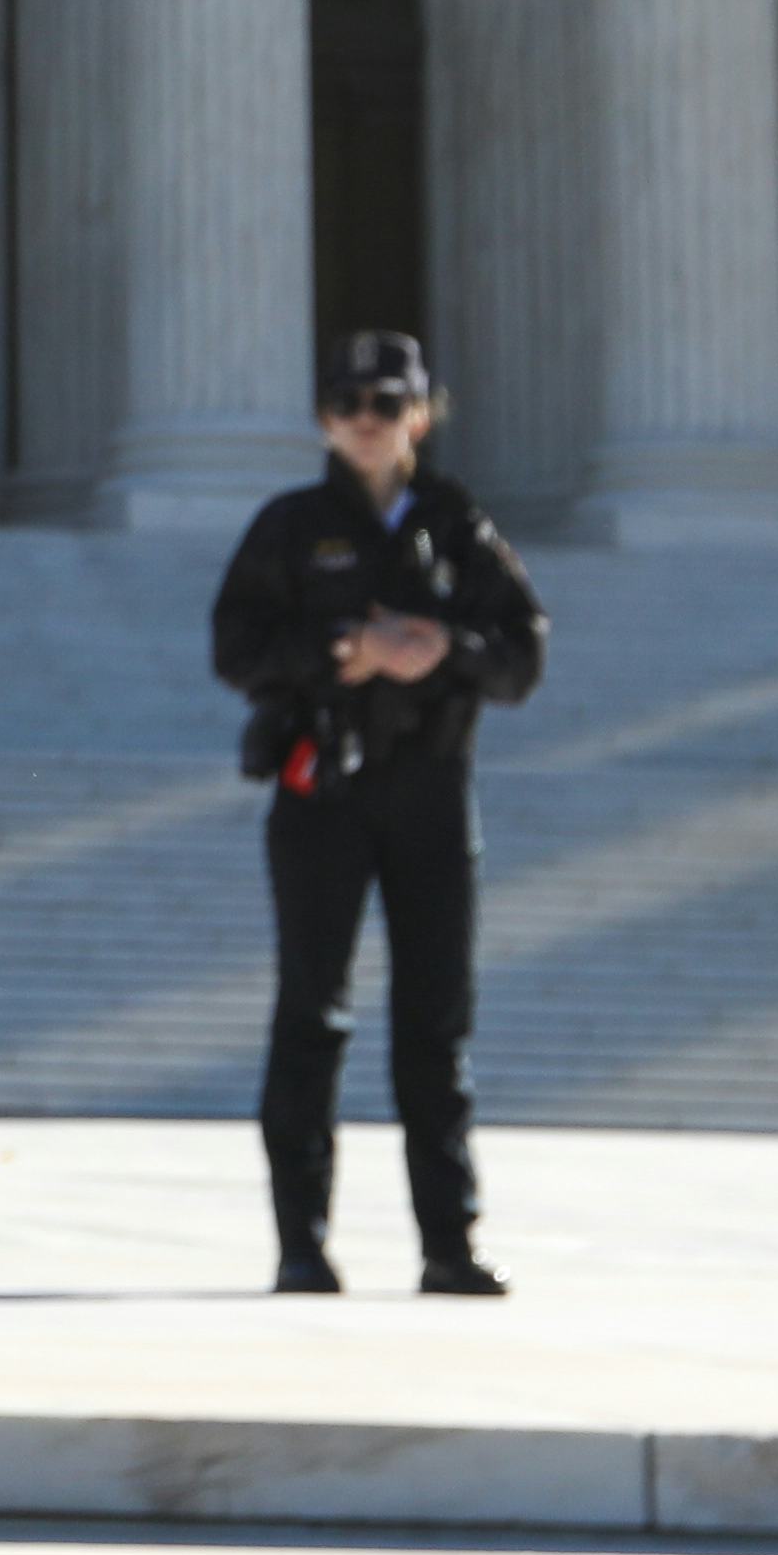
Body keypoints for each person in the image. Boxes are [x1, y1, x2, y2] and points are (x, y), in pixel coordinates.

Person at [207, 332, 543, 1296]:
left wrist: (441, 648)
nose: (367, 422)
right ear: (324, 419)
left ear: (420, 419)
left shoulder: (459, 525)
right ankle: (301, 1243)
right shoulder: (289, 524)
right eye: (349, 405)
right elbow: (237, 649)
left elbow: (523, 655)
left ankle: (450, 1245)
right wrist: (340, 648)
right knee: (312, 1012)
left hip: (430, 787)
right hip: (323, 784)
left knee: (436, 1022)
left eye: (387, 406)